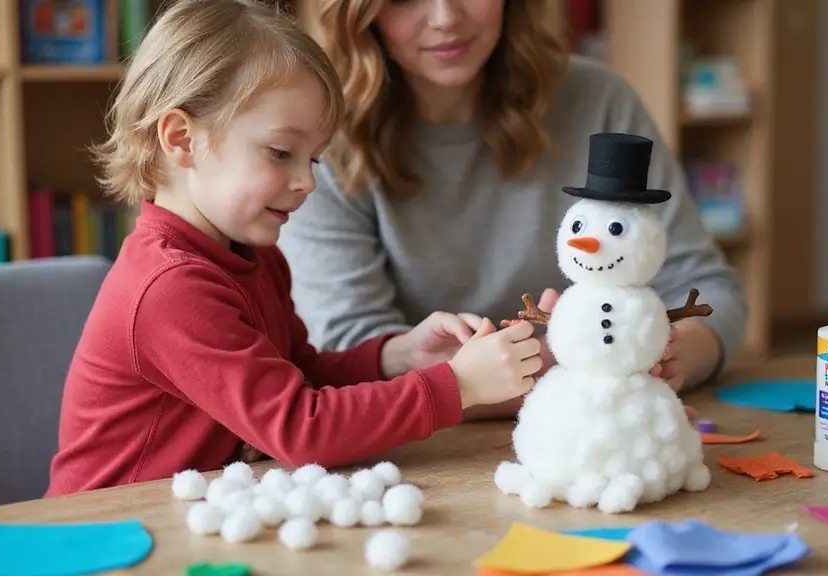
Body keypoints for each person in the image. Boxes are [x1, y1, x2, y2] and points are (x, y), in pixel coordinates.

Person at [46, 0, 543, 496]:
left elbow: (300, 375)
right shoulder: (170, 287)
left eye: (314, 160)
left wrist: (402, 356)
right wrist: (458, 385)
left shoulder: (254, 257)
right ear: (181, 139)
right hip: (109, 526)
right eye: (281, 153)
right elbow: (302, 430)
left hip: (196, 510)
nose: (306, 182)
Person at [278, 0, 748, 420]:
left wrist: (666, 355)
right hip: (432, 452)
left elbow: (709, 289)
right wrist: (573, 367)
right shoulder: (322, 135)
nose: (445, 17)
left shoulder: (599, 100)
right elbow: (349, 349)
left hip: (607, 424)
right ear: (360, 12)